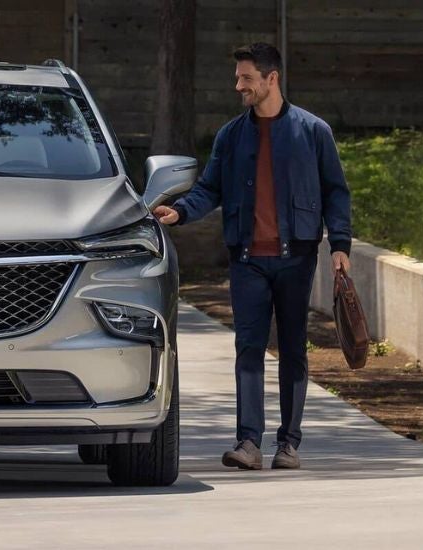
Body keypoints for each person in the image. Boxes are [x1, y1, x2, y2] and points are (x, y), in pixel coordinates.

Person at [153, 43, 352, 470]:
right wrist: (182, 210)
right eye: (238, 77)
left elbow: (336, 191)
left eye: (246, 77)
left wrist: (340, 245)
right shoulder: (231, 135)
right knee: (249, 347)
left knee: (294, 349)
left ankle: (289, 444)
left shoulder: (313, 131)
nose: (238, 85)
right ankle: (248, 443)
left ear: (271, 79)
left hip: (297, 258)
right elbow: (210, 188)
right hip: (247, 259)